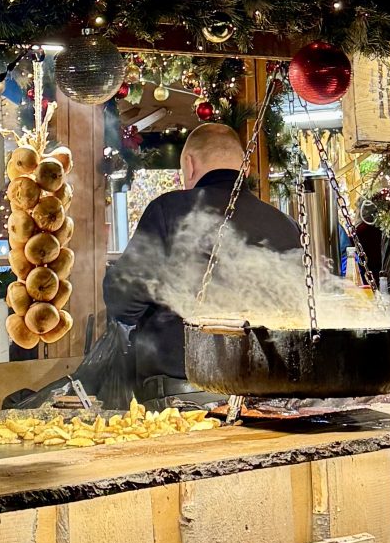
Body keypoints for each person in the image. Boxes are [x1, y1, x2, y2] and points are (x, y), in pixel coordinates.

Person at [102, 122, 300, 389]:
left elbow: (122, 301)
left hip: (182, 395)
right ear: (246, 169)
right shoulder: (285, 224)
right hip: (267, 391)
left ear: (189, 164)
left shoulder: (169, 210)